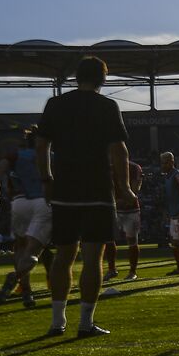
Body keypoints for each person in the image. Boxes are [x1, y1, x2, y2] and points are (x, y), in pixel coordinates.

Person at [34, 56, 138, 338]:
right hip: (97, 190)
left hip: (65, 189)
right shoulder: (106, 106)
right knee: (93, 258)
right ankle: (85, 323)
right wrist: (125, 187)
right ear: (103, 79)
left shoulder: (56, 104)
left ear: (76, 76)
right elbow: (119, 150)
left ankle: (57, 322)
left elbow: (41, 144)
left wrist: (46, 178)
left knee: (63, 255)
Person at [0, 125, 50, 310]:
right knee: (33, 252)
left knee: (20, 249)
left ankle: (27, 293)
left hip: (19, 203)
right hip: (42, 202)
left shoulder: (16, 156)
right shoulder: (49, 156)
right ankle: (14, 278)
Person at [104, 159, 145, 282]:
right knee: (109, 239)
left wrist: (119, 201)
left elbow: (135, 190)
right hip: (116, 208)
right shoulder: (110, 167)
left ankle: (132, 271)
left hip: (130, 209)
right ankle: (112, 269)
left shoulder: (134, 167)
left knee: (132, 240)